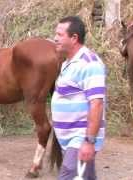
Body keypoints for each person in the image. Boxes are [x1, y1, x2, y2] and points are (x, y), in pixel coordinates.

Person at [52, 16, 106, 180]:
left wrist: (89, 141)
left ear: (74, 38)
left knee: (68, 175)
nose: (55, 38)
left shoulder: (89, 63)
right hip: (69, 141)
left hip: (80, 138)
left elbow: (96, 104)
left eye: (60, 35)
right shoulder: (69, 62)